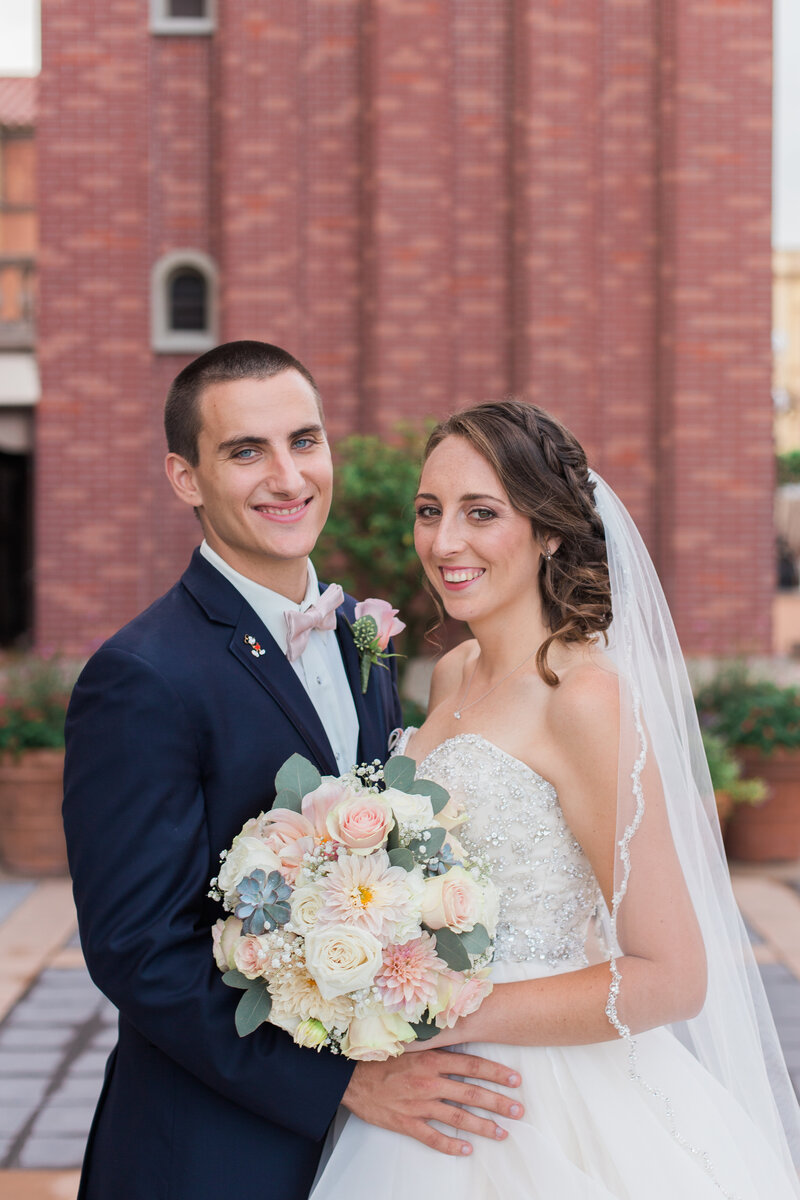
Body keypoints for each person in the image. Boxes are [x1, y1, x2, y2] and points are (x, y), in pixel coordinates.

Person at [62, 343, 523, 1200]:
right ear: (185, 477)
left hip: (372, 1145)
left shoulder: (363, 633)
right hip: (209, 1149)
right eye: (246, 452)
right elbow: (136, 951)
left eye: (304, 442)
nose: (287, 476)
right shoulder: (141, 676)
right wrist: (340, 1085)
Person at [311, 400, 800, 1199]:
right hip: (416, 1083)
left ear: (547, 533)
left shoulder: (583, 697)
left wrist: (454, 1014)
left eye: (481, 513)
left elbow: (673, 976)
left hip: (537, 1095)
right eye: (429, 512)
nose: (444, 542)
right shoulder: (450, 672)